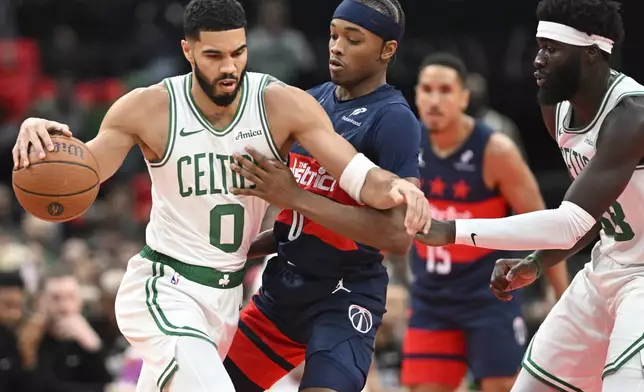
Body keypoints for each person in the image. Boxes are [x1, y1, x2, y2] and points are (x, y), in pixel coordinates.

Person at [11, 0, 430, 390]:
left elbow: (362, 176)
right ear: (188, 51)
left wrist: (400, 189)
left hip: (228, 299)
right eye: (214, 55)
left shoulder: (283, 105)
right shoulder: (148, 107)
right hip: (166, 287)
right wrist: (41, 135)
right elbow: (84, 171)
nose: (229, 67)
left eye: (238, 53)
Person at [416, 0, 644, 390]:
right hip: (607, 266)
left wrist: (451, 231)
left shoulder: (632, 116)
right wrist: (538, 262)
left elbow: (569, 221)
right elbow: (591, 216)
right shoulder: (554, 108)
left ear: (591, 54)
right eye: (539, 47)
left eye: (551, 50)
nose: (537, 60)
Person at [221, 1, 422, 391]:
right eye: (333, 35)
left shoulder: (394, 119)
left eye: (353, 38)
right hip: (283, 291)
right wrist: (238, 249)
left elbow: (398, 237)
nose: (336, 47)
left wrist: (295, 197)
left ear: (387, 50)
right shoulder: (310, 102)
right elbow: (297, 224)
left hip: (343, 296)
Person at [401, 53, 569, 392]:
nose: (434, 100)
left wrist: (562, 297)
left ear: (465, 97)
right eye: (427, 90)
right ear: (416, 94)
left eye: (445, 90)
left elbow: (547, 227)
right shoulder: (404, 144)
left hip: (490, 297)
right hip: (431, 298)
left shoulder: (496, 150)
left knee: (503, 386)